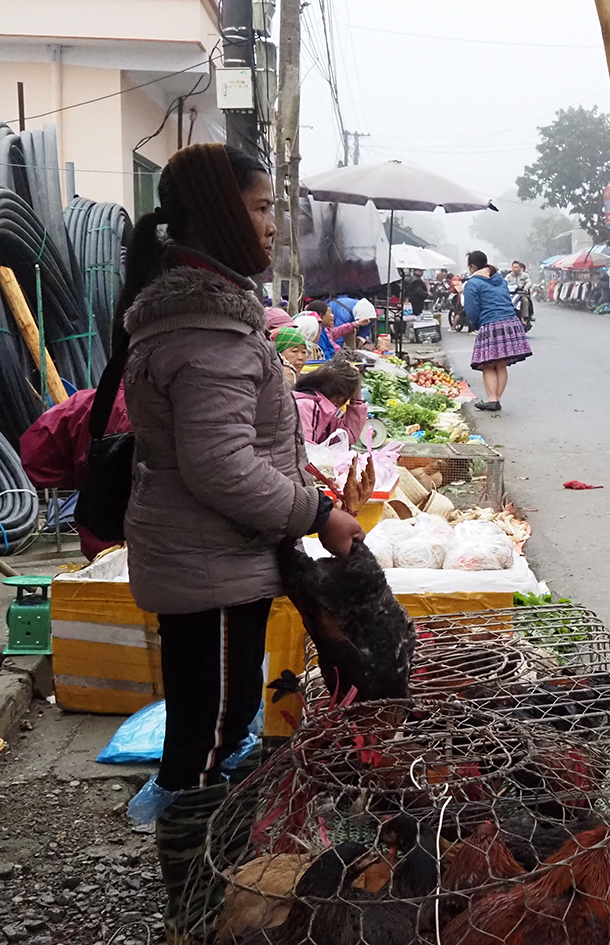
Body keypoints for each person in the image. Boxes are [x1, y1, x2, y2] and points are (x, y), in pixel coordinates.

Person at [115, 143, 366, 931]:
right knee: (211, 731)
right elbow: (222, 467)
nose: (271, 226)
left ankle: (205, 881)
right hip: (210, 560)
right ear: (224, 214)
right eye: (260, 209)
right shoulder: (208, 331)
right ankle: (196, 902)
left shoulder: (208, 313)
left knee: (212, 717)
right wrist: (317, 512)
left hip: (213, 557)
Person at [20, 386, 130, 560]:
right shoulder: (182, 406)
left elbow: (37, 458)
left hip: (101, 539)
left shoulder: (90, 403)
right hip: (169, 546)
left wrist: (85, 474)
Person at [464, 250, 532, 411]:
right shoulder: (499, 279)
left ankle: (492, 399)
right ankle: (496, 399)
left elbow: (472, 310)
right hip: (510, 321)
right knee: (501, 364)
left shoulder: (473, 283)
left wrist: (475, 323)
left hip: (490, 323)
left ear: (472, 266)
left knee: (488, 365)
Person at [293, 356, 368, 445]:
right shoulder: (305, 406)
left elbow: (348, 437)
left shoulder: (325, 409)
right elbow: (305, 449)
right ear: (340, 398)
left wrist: (357, 400)